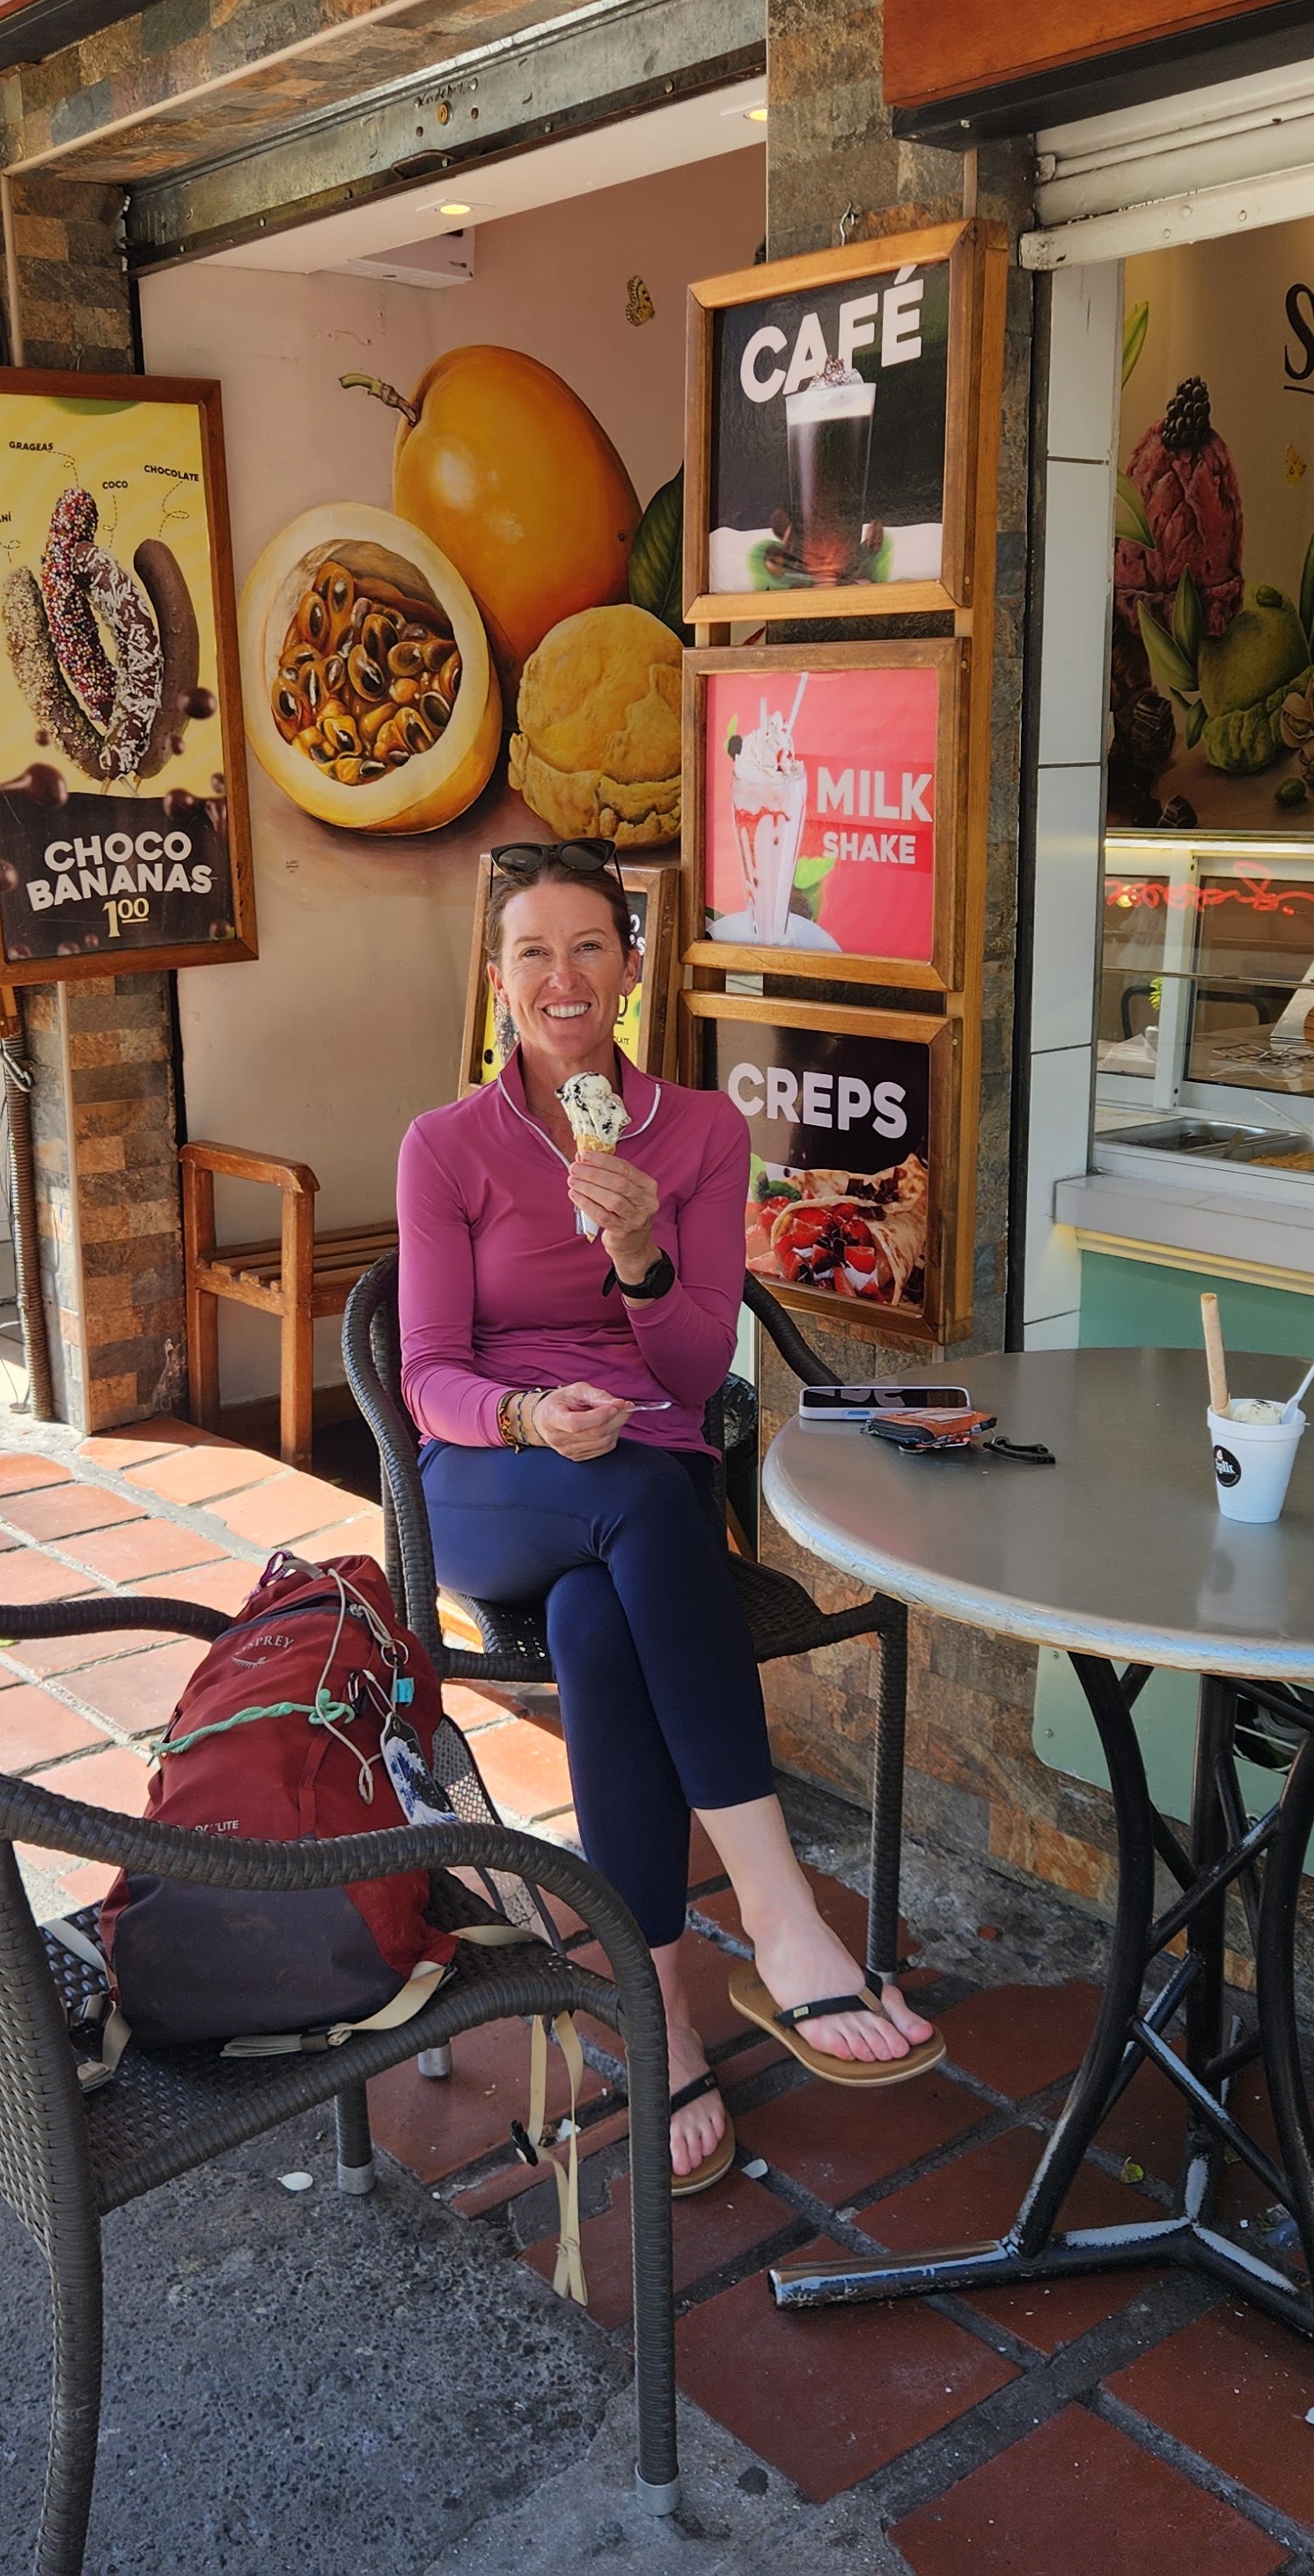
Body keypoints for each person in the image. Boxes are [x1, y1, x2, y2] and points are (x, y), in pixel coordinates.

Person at [396, 838, 936, 2194]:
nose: (563, 977)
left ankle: (665, 2021)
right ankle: (781, 1913)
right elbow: (427, 1374)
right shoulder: (446, 1147)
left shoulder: (699, 1133)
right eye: (533, 951)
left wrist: (639, 1252)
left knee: (601, 1621)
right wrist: (530, 1416)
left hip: (647, 1488)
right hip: (496, 1482)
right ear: (499, 977)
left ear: (630, 968)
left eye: (590, 945)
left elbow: (694, 1376)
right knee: (635, 1503)